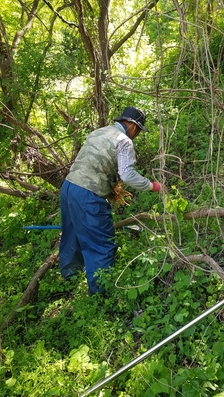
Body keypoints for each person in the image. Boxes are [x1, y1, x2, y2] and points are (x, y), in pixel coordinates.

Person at [59, 106, 164, 296]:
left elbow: (94, 163)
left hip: (69, 187)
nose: (137, 135)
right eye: (139, 130)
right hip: (88, 196)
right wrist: (153, 186)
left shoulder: (99, 132)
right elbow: (128, 175)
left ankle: (69, 277)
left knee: (72, 233)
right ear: (133, 126)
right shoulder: (124, 141)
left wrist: (110, 187)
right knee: (102, 246)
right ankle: (99, 297)